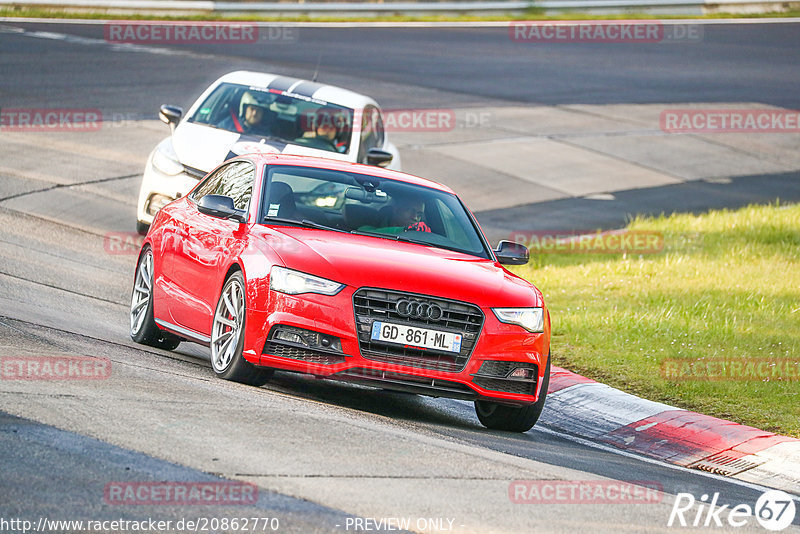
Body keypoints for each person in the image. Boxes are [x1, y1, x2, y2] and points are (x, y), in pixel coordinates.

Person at [359, 191, 431, 235]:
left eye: (419, 214)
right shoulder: (371, 228)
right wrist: (404, 230)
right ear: (396, 209)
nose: (415, 217)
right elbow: (362, 233)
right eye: (410, 211)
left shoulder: (420, 235)